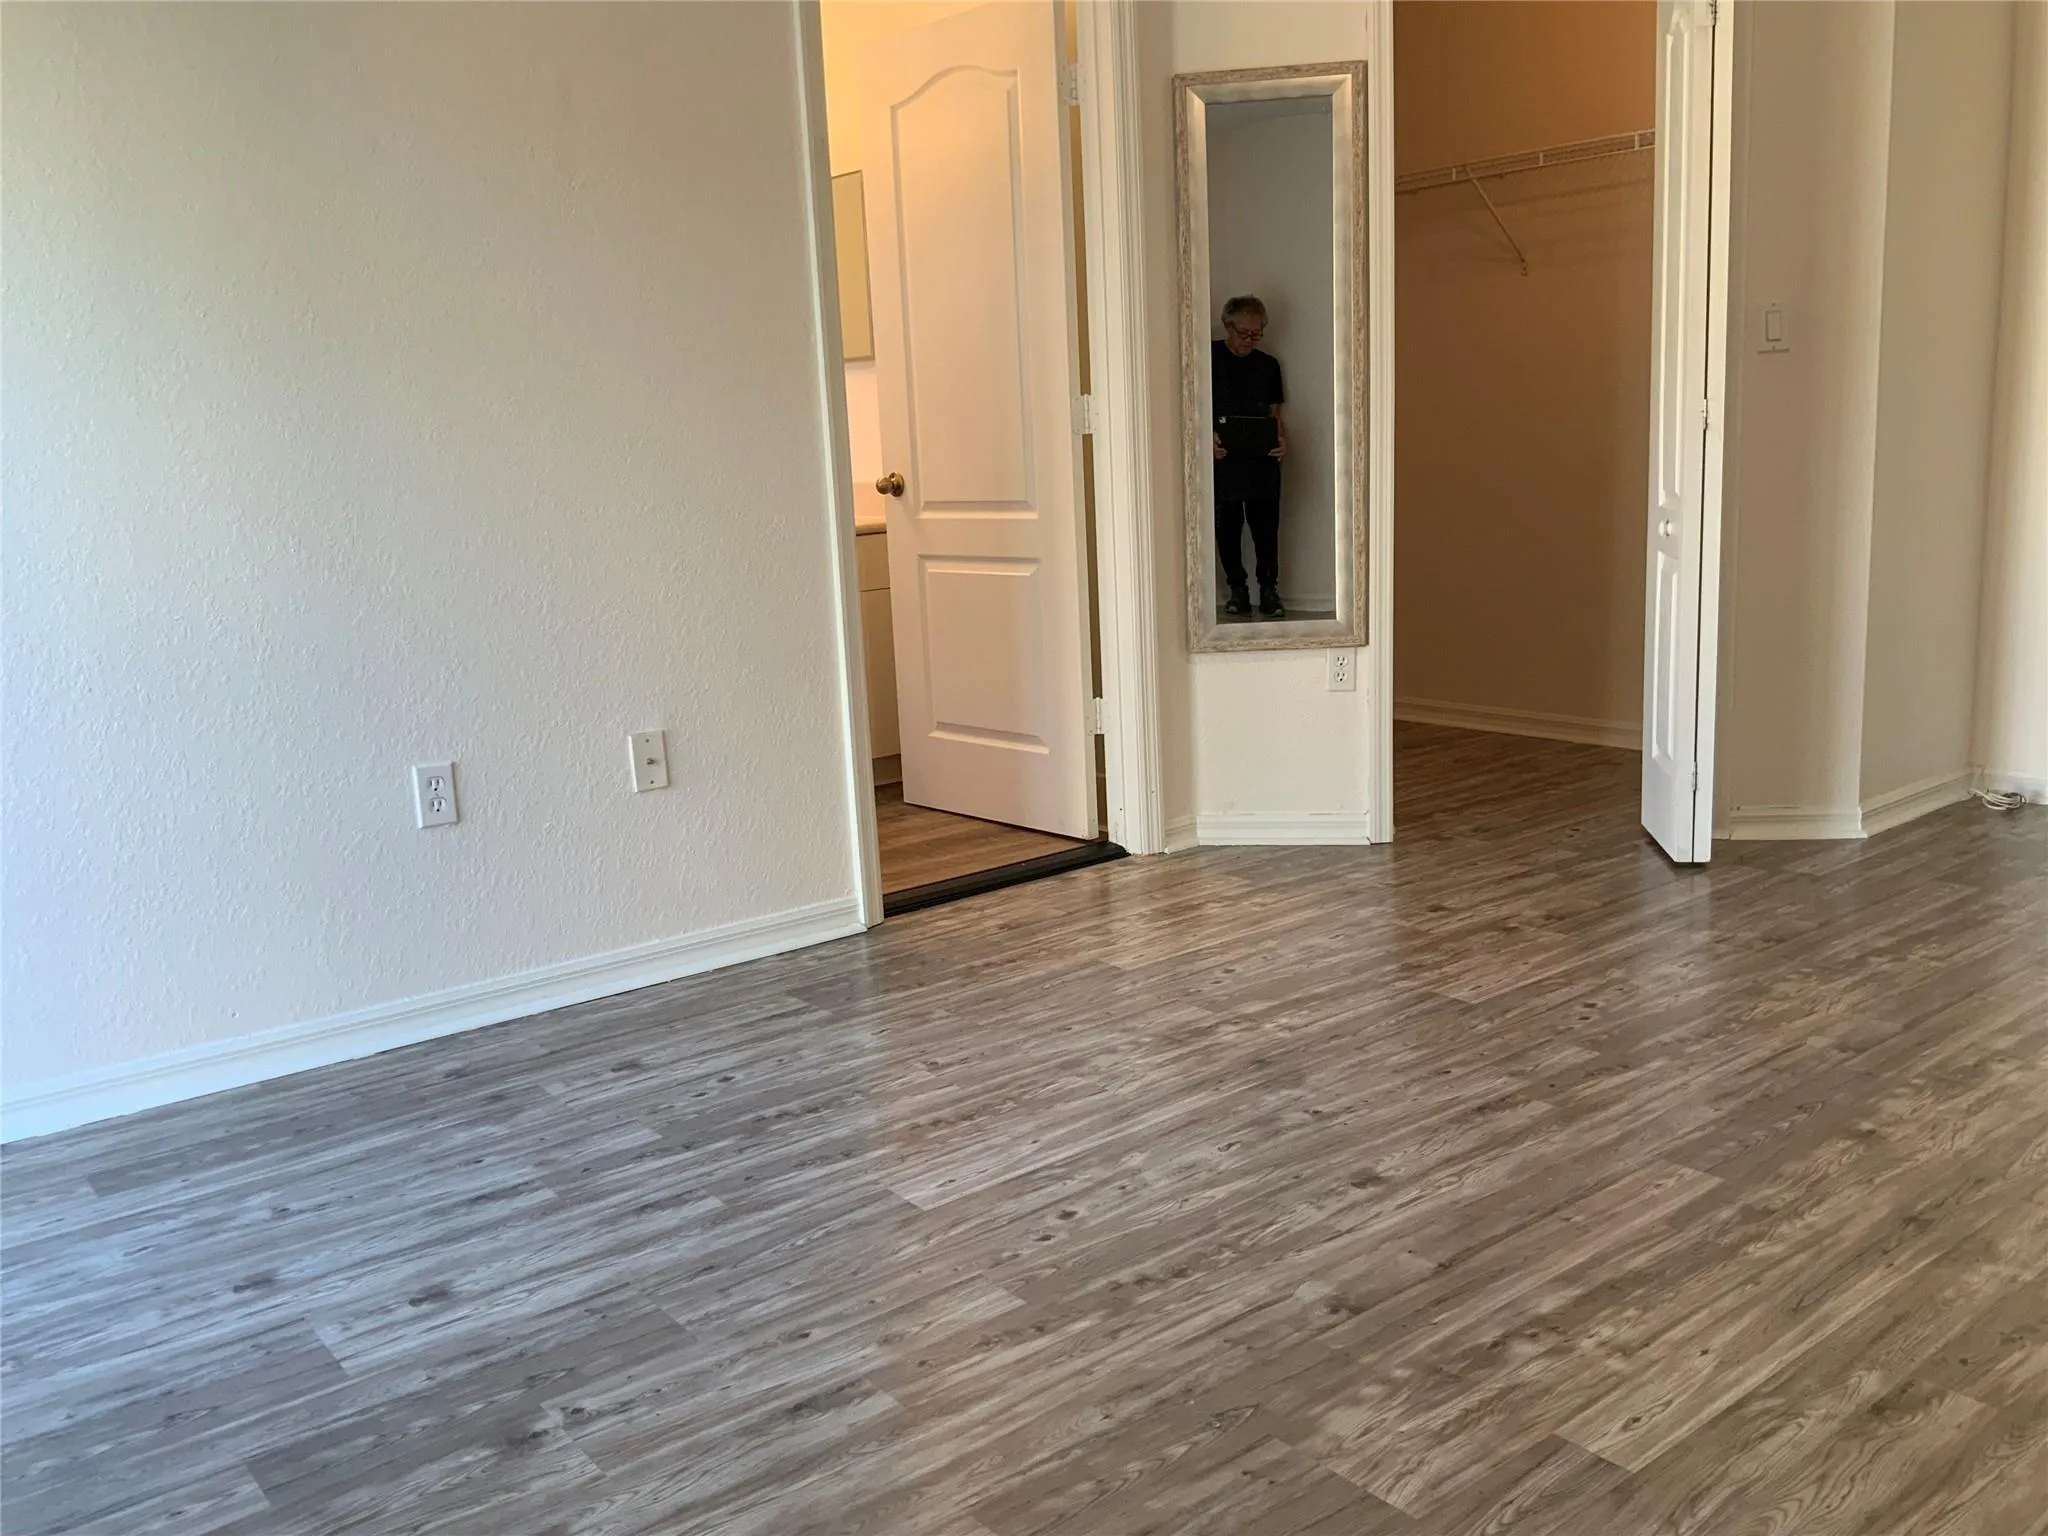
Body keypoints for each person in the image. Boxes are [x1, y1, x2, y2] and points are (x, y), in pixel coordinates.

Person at [1211, 294, 1289, 617]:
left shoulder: (1268, 365)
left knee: (1266, 529)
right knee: (1227, 528)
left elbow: (1275, 414)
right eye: (1243, 333)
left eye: (1256, 334)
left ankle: (1269, 590)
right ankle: (1237, 591)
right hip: (1223, 458)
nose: (1249, 340)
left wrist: (1283, 440)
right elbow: (1190, 405)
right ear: (1227, 326)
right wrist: (1205, 438)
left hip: (1262, 459)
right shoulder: (1208, 358)